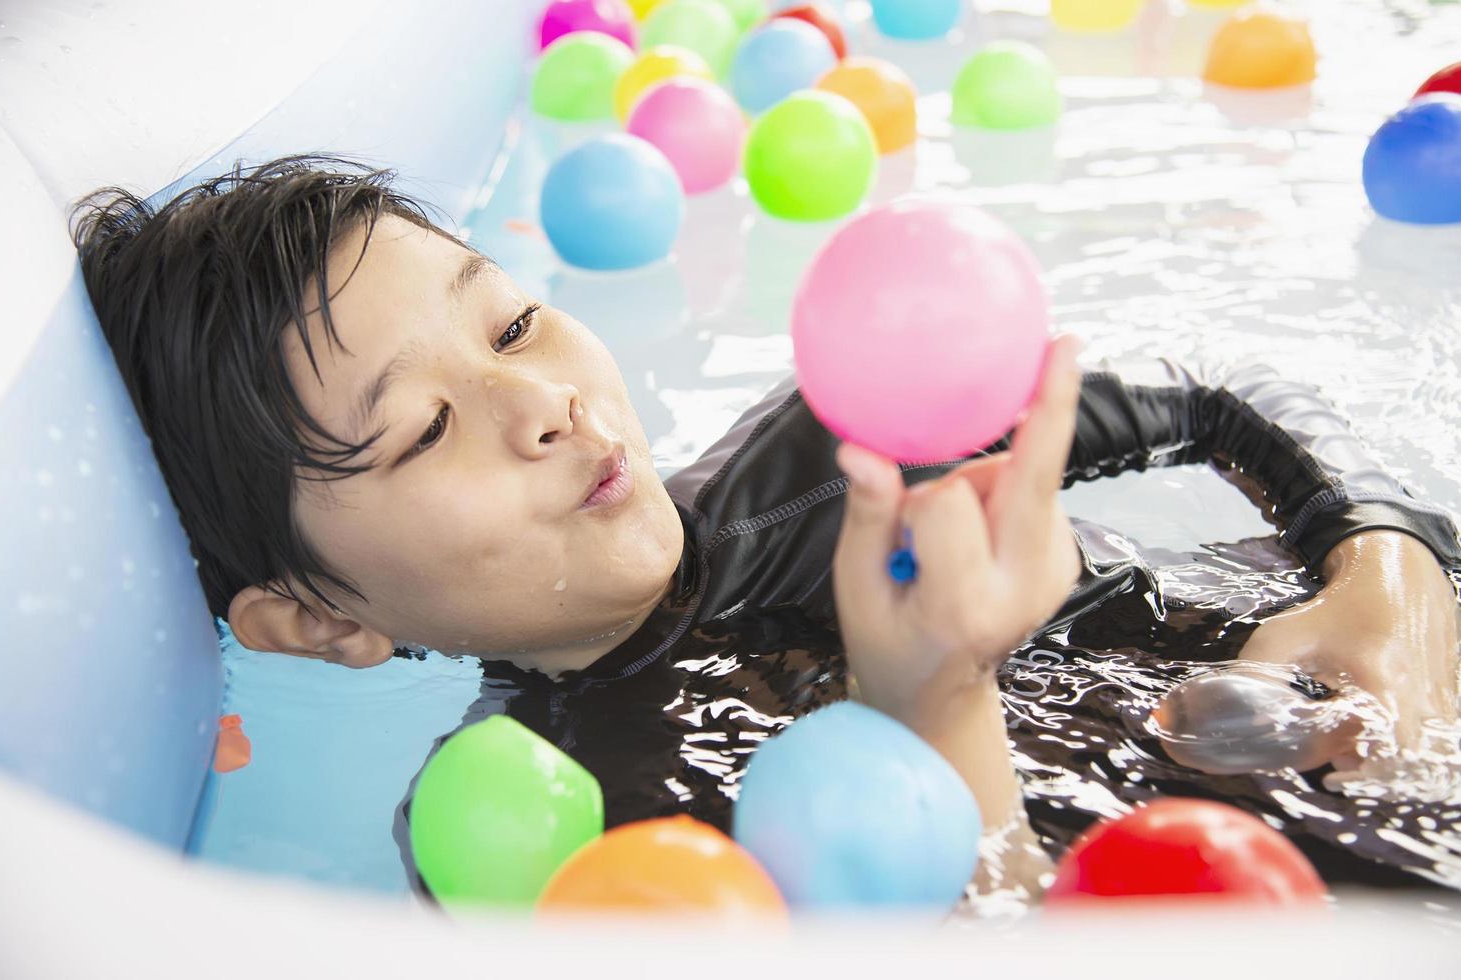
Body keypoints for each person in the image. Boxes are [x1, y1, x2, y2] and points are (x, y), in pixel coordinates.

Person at [74, 157, 1461, 898]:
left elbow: (1228, 391)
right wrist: (939, 706)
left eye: (511, 322)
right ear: (321, 622)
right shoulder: (554, 842)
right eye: (422, 429)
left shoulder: (836, 454)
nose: (542, 401)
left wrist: (1385, 580)